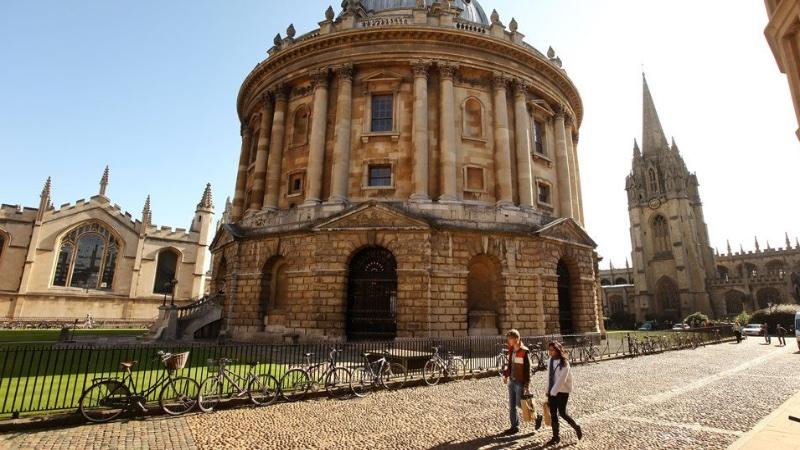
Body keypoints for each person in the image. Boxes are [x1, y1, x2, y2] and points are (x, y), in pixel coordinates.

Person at [502, 329, 543, 435]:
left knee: (521, 404)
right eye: (508, 339)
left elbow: (527, 369)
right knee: (512, 405)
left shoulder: (524, 351)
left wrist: (526, 385)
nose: (509, 341)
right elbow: (510, 365)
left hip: (520, 382)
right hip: (512, 380)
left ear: (516, 338)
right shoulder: (511, 350)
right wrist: (506, 375)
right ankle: (514, 426)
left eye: (510, 339)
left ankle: (537, 416)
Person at [545, 341, 583, 447]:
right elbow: (549, 376)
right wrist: (548, 390)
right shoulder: (550, 361)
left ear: (557, 350)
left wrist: (553, 391)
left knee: (562, 413)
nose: (550, 352)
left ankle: (576, 427)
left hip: (563, 391)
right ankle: (555, 437)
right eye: (549, 350)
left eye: (552, 350)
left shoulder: (564, 363)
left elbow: (562, 379)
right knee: (553, 414)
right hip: (552, 391)